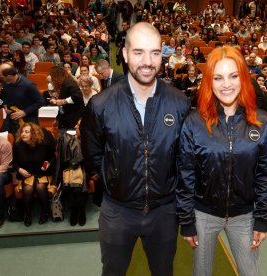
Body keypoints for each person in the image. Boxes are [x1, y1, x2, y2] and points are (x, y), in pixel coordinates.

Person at [80, 22, 189, 276]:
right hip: (118, 211)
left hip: (164, 212)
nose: (147, 61)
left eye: (154, 52)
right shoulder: (101, 104)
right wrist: (114, 179)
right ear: (125, 54)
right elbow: (93, 155)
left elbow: (184, 157)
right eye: (138, 52)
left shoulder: (180, 102)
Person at [177, 46, 267, 276]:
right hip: (203, 215)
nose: (226, 84)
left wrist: (262, 218)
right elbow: (186, 174)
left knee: (250, 273)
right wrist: (187, 221)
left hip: (245, 216)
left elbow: (265, 173)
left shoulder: (261, 121)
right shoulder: (193, 122)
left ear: (242, 78)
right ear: (209, 82)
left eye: (233, 76)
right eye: (218, 78)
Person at [12, 123, 56, 227]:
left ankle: (45, 211)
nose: (23, 134)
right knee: (28, 189)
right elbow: (14, 162)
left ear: (34, 133)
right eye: (22, 132)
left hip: (42, 172)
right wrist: (19, 169)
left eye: (26, 132)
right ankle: (28, 214)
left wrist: (48, 164)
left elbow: (52, 157)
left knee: (40, 188)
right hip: (26, 174)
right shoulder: (17, 145)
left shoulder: (43, 144)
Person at [0, 63, 44, 135]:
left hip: (28, 117)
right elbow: (6, 97)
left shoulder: (28, 85)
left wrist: (24, 112)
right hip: (12, 116)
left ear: (9, 76)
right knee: (3, 136)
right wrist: (5, 106)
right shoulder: (6, 82)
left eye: (2, 77)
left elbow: (40, 101)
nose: (1, 79)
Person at [48, 66, 84, 131]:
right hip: (66, 119)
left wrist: (63, 101)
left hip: (72, 119)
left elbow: (78, 96)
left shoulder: (68, 83)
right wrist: (57, 119)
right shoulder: (64, 83)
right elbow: (61, 107)